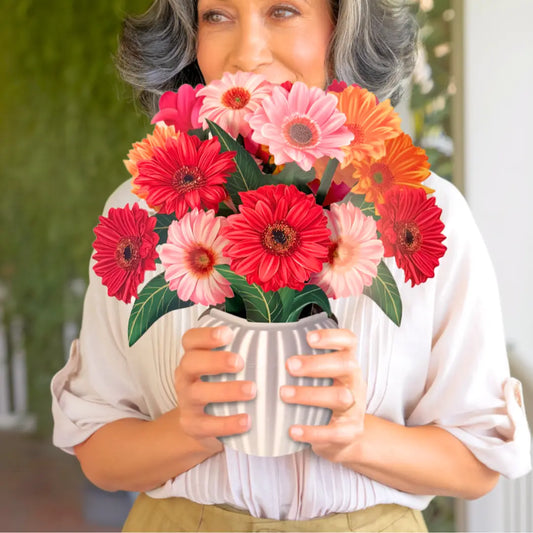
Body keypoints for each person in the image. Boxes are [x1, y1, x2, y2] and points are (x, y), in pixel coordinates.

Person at [51, 0, 531, 531]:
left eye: (282, 11)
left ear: (344, 27)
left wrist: (357, 436)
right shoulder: (140, 211)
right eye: (216, 16)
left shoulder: (425, 215)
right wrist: (190, 430)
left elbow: (479, 463)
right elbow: (98, 450)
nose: (246, 55)